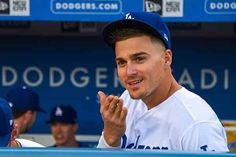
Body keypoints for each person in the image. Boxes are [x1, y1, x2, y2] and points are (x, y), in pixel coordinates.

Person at [97, 12, 229, 151]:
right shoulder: (127, 103)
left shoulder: (197, 124)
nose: (129, 72)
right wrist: (111, 138)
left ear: (166, 58)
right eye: (122, 62)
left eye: (139, 59)